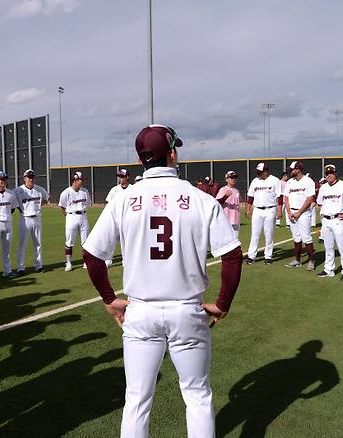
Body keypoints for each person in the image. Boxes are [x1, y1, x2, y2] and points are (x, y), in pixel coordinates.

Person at [82, 124, 242, 438]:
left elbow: (92, 256)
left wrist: (109, 299)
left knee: (137, 400)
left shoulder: (123, 199)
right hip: (187, 310)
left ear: (141, 158)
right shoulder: (200, 199)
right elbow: (232, 256)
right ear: (171, 153)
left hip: (140, 311)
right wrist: (222, 304)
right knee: (197, 395)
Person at [245, 163, 282, 264]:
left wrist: (279, 209)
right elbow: (251, 196)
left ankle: (268, 256)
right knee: (255, 234)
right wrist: (248, 208)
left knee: (269, 234)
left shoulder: (275, 180)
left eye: (260, 172)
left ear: (266, 171)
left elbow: (279, 197)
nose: (258, 174)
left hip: (270, 209)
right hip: (257, 209)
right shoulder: (255, 181)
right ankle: (251, 256)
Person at [13, 169, 49, 274]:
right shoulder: (18, 190)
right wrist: (22, 211)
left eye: (32, 177)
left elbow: (46, 199)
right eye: (28, 177)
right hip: (25, 219)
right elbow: (14, 204)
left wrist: (38, 207)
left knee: (38, 243)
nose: (31, 179)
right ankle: (20, 268)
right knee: (22, 244)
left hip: (37, 218)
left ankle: (39, 265)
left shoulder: (40, 189)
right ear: (24, 178)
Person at [284, 161, 316, 270]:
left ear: (298, 169)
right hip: (292, 213)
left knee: (306, 237)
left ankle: (311, 261)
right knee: (296, 237)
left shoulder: (308, 181)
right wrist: (288, 212)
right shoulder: (289, 182)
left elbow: (310, 198)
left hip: (303, 213)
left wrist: (299, 212)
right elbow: (286, 198)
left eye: (292, 169)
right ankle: (297, 260)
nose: (290, 171)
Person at [58, 171, 91, 271]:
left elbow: (88, 203)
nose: (82, 182)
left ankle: (86, 262)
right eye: (81, 180)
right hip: (71, 216)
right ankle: (68, 263)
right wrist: (69, 216)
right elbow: (62, 207)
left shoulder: (85, 191)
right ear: (75, 180)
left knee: (86, 242)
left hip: (83, 216)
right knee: (69, 241)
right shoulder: (65, 193)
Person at [104, 168, 132, 267]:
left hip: (127, 218)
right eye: (119, 177)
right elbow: (108, 204)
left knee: (125, 240)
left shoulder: (133, 189)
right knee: (111, 239)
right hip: (115, 218)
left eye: (122, 176)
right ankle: (108, 259)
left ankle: (125, 259)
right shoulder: (114, 189)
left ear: (127, 177)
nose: (120, 178)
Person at [216, 170, 241, 238]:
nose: (234, 179)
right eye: (231, 177)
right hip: (226, 219)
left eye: (235, 177)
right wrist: (225, 197)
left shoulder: (236, 190)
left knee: (235, 240)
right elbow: (217, 202)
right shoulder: (223, 189)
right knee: (226, 240)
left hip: (236, 220)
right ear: (226, 179)